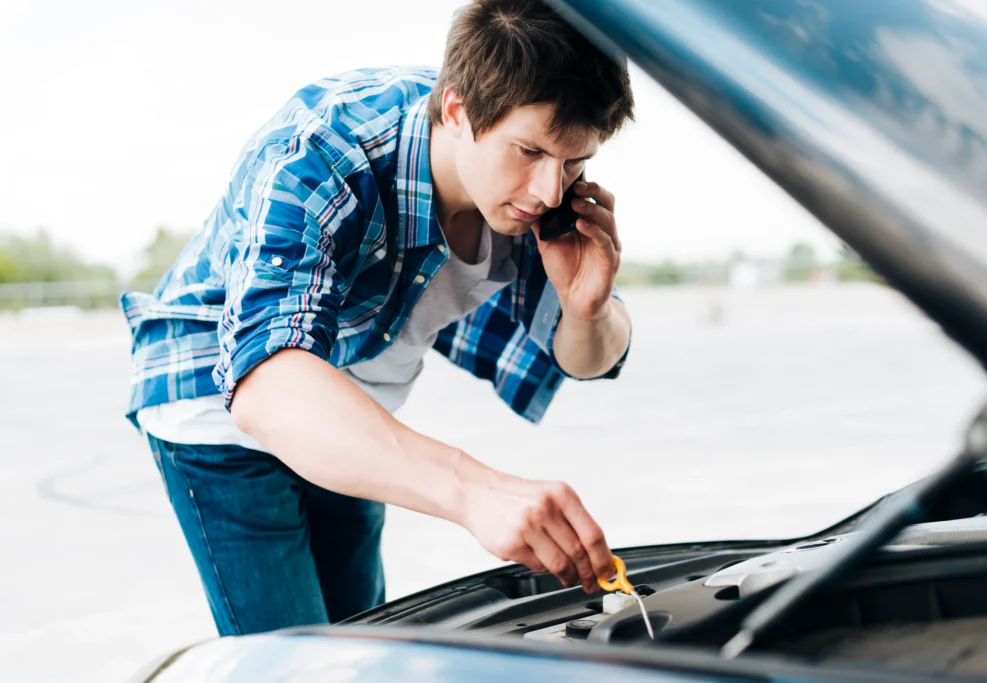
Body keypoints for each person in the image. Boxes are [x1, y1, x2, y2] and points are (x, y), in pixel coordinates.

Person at [120, 0, 635, 636]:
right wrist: (474, 489)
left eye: (575, 160)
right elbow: (264, 382)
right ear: (457, 109)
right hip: (220, 400)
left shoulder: (537, 196)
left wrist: (589, 308)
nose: (548, 192)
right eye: (529, 151)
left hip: (353, 407)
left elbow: (584, 358)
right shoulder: (324, 146)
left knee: (363, 645)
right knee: (298, 663)